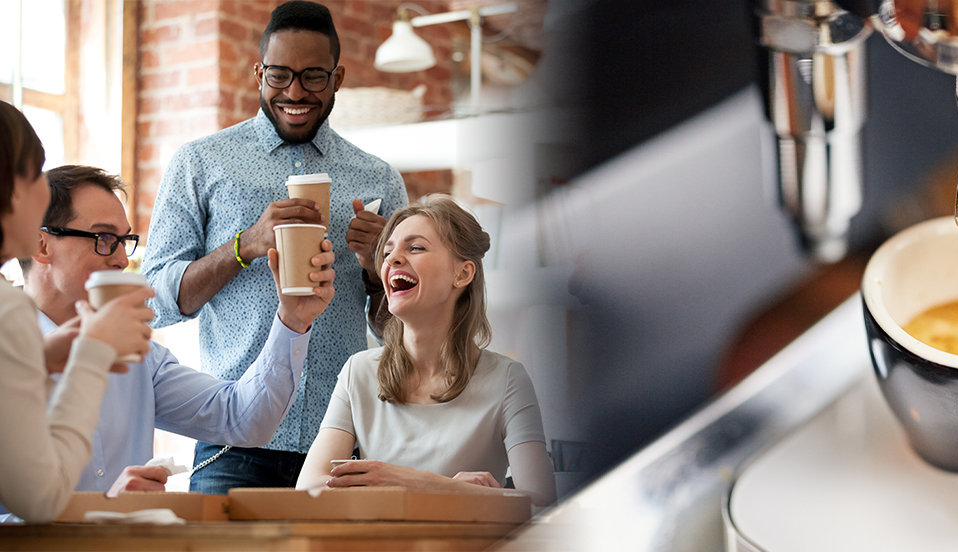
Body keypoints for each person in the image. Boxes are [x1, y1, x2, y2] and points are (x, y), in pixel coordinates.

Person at [141, 0, 406, 493]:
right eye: (280, 75)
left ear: (338, 78)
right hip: (230, 444)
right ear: (258, 72)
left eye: (313, 77)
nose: (295, 92)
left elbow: (401, 329)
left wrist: (376, 273)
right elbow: (156, 302)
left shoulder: (378, 179)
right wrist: (244, 245)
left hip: (341, 441)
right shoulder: (200, 163)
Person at [3, 165, 332, 516]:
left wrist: (294, 319)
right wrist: (96, 511)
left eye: (124, 241)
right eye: (103, 239)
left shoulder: (139, 356)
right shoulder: (10, 348)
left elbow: (244, 419)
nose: (121, 259)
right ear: (42, 245)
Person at [295, 195, 556, 507]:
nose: (392, 260)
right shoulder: (359, 371)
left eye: (415, 247)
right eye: (388, 251)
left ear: (463, 274)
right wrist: (442, 488)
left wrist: (417, 483)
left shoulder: (508, 379)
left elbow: (541, 504)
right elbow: (309, 491)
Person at [0, 102, 153, 523]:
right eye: (34, 175)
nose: (42, 192)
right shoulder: (8, 313)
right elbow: (40, 498)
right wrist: (92, 353)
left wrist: (39, 359)